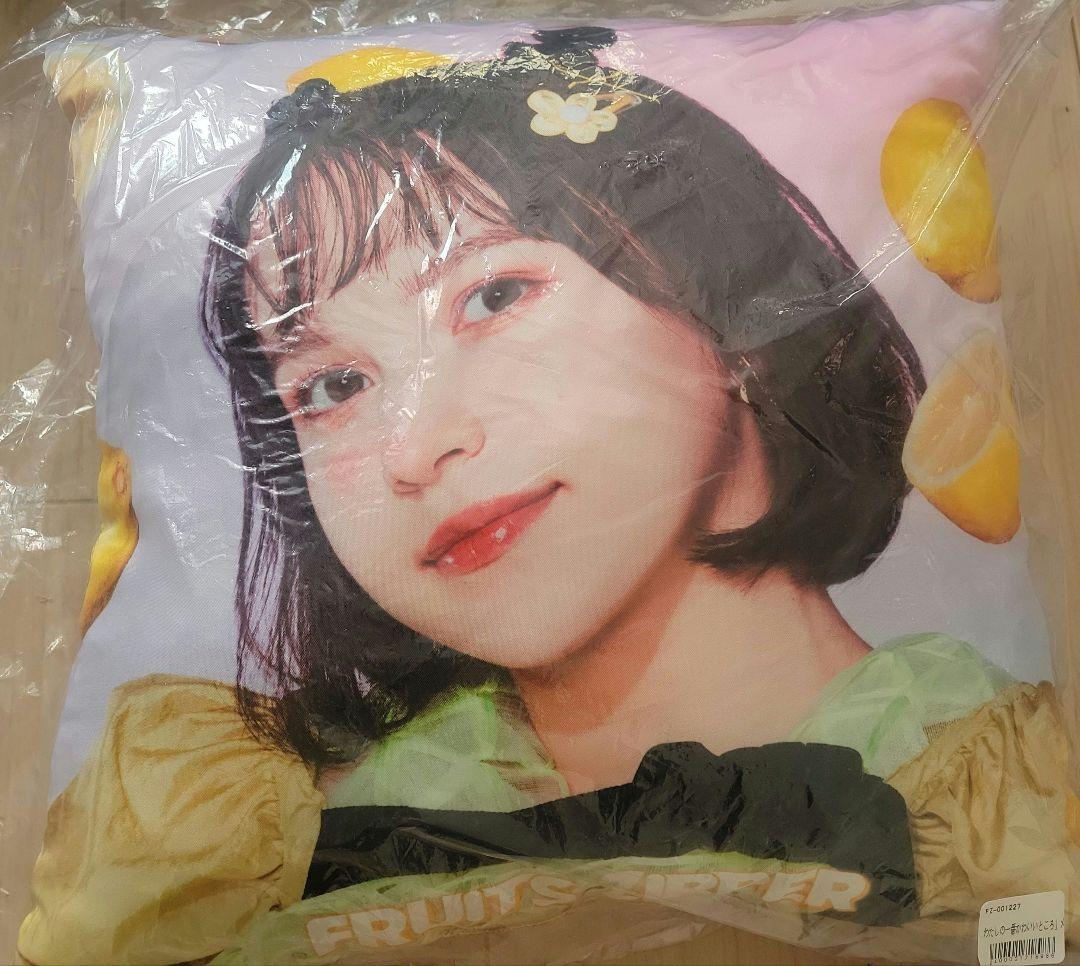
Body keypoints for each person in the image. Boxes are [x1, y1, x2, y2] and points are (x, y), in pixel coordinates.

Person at [20, 27, 1077, 966]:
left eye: (493, 295)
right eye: (332, 388)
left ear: (736, 310)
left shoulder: (1000, 806)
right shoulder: (237, 821)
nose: (414, 448)